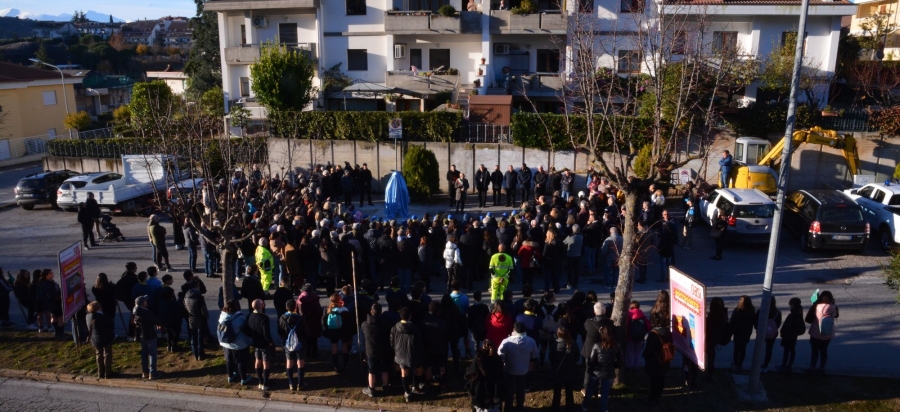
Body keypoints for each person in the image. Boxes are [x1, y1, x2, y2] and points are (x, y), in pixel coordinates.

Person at [498, 322, 539, 412]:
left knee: (509, 390)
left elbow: (500, 355)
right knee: (521, 390)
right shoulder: (531, 341)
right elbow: (535, 355)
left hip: (509, 370)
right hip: (523, 371)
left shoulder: (507, 341)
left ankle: (508, 407)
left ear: (514, 329)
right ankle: (520, 407)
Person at [585, 322, 623, 412]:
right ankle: (603, 409)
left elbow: (592, 360)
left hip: (596, 371)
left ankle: (585, 406)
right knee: (605, 393)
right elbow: (621, 361)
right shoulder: (616, 346)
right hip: (609, 372)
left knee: (590, 389)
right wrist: (613, 365)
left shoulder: (597, 345)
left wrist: (590, 369)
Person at [392, 307, 425, 402]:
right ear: (410, 316)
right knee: (419, 370)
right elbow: (419, 344)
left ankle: (407, 392)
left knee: (404, 373)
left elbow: (392, 341)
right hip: (413, 354)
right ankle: (415, 386)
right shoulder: (415, 328)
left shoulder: (395, 327)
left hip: (400, 354)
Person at [643, 296, 672, 406]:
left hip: (654, 361)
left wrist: (645, 355)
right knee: (661, 379)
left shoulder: (653, 334)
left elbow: (648, 350)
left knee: (653, 380)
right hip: (664, 360)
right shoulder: (668, 332)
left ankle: (652, 397)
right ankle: (658, 396)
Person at [219, 299, 253, 385]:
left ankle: (230, 376)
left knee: (229, 360)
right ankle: (243, 378)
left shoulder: (222, 316)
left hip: (226, 342)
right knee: (240, 361)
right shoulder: (240, 318)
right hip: (238, 344)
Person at [465, 339, 506, 411]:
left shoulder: (478, 358)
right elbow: (501, 376)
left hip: (480, 389)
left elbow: (473, 373)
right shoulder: (498, 359)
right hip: (494, 388)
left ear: (483, 347)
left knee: (480, 407)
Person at [279, 299, 310, 391]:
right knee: (300, 363)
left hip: (288, 344)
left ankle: (291, 383)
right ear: (295, 307)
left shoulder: (282, 318)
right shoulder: (300, 318)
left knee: (289, 362)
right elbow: (306, 332)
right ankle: (300, 383)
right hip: (300, 343)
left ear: (286, 307)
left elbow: (280, 331)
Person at [245, 299, 276, 390]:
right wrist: (270, 342)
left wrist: (253, 336)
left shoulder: (249, 316)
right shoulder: (264, 318)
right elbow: (266, 333)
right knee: (266, 363)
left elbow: (246, 330)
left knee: (257, 361)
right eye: (263, 303)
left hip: (255, 342)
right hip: (264, 343)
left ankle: (260, 381)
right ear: (261, 306)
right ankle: (265, 383)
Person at [361, 303, 390, 397]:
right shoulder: (385, 324)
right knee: (384, 369)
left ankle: (371, 388)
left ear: (371, 311)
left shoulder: (365, 324)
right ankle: (385, 386)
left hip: (371, 351)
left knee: (372, 370)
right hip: (384, 349)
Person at [806, 290, 839, 374]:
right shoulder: (834, 307)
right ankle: (822, 368)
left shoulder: (816, 306)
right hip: (828, 333)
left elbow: (808, 319)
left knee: (814, 351)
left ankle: (812, 367)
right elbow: (836, 315)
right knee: (824, 351)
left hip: (815, 332)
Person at [133, 295, 164, 380]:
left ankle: (145, 372)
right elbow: (154, 319)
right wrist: (159, 324)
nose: (146, 302)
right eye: (145, 301)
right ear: (143, 303)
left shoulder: (136, 311)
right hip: (150, 334)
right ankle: (153, 372)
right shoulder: (145, 312)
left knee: (144, 354)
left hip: (141, 336)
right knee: (152, 354)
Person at [322, 292, 354, 372]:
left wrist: (327, 328)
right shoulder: (344, 310)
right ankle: (345, 365)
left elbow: (324, 320)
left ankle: (336, 366)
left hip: (333, 330)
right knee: (345, 347)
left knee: (334, 348)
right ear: (339, 299)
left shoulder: (328, 309)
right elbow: (348, 320)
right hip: (344, 330)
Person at [550, 326, 578, 412]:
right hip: (570, 370)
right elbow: (577, 358)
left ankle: (555, 408)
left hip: (558, 370)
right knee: (569, 392)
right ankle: (570, 408)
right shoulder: (573, 344)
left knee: (557, 392)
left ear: (558, 334)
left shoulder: (555, 344)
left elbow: (551, 358)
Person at [84, 301, 115, 379]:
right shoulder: (103, 317)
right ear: (98, 308)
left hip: (95, 339)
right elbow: (111, 324)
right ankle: (107, 373)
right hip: (106, 338)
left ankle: (100, 372)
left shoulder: (88, 316)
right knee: (107, 354)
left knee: (98, 354)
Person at [777, 297, 806, 373]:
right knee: (791, 350)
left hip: (789, 335)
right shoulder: (798, 312)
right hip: (793, 335)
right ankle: (788, 365)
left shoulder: (793, 314)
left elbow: (788, 325)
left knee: (787, 351)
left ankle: (785, 365)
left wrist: (783, 332)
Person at [755, 296, 782, 372]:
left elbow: (756, 321)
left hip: (761, 332)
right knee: (769, 349)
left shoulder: (761, 311)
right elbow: (778, 324)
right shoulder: (777, 312)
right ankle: (765, 365)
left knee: (759, 348)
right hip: (772, 333)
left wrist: (757, 328)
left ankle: (757, 363)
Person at [730, 295, 756, 372]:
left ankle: (735, 364)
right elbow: (753, 322)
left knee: (736, 349)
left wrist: (731, 330)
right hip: (746, 332)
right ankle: (740, 364)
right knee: (743, 348)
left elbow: (732, 321)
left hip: (738, 332)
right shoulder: (751, 311)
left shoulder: (737, 310)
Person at [705, 297, 729, 379]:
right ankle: (710, 372)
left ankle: (709, 372)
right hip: (717, 337)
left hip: (710, 337)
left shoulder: (711, 316)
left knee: (709, 354)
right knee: (711, 355)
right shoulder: (723, 315)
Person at [298, 283, 323, 359]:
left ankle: (307, 353)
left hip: (304, 320)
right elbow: (319, 311)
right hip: (314, 321)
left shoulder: (300, 299)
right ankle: (314, 352)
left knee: (305, 338)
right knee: (314, 338)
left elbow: (297, 310)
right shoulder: (315, 298)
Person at [183, 287, 209, 361]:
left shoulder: (186, 298)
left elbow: (185, 308)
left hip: (191, 319)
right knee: (200, 337)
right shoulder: (199, 298)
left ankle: (195, 354)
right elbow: (203, 310)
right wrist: (206, 316)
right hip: (200, 319)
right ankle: (201, 354)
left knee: (193, 337)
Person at [156, 287, 183, 353]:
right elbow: (178, 313)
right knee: (176, 332)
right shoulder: (175, 303)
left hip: (164, 321)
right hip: (174, 321)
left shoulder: (160, 302)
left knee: (168, 332)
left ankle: (169, 344)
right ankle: (174, 345)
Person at [626, 300, 650, 371]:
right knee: (637, 353)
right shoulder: (642, 315)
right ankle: (636, 367)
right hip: (640, 337)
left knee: (630, 353)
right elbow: (648, 327)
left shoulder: (628, 315)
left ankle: (629, 367)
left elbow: (626, 326)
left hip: (630, 337)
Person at [563, 224, 583, 290]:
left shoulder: (570, 237)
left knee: (570, 271)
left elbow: (564, 243)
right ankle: (575, 283)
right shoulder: (581, 237)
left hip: (570, 255)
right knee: (577, 270)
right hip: (578, 255)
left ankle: (569, 283)